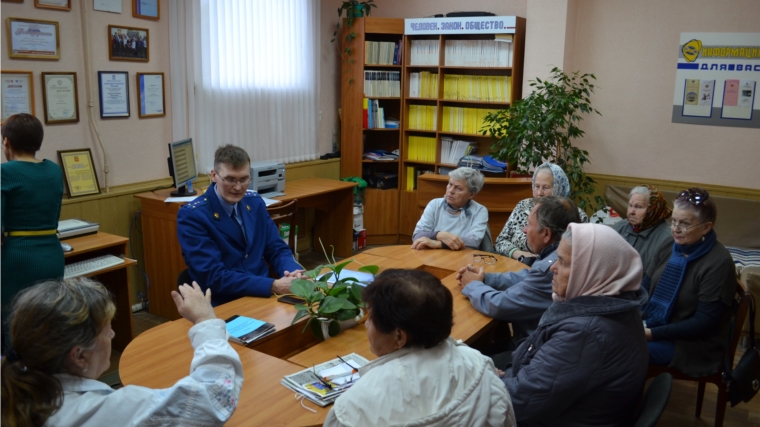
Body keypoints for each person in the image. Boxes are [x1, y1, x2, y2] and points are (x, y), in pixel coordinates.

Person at [0, 277, 243, 427]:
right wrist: (205, 321)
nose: (113, 336)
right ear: (79, 356)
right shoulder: (108, 411)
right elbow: (213, 397)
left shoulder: (16, 384)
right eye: (106, 331)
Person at [324, 269, 516, 427]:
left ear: (399, 336)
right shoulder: (482, 366)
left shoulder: (352, 408)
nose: (366, 325)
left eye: (371, 317)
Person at [502, 223, 649, 426]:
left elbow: (518, 405)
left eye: (562, 262)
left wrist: (490, 382)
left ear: (592, 271)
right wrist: (506, 376)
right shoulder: (617, 304)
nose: (552, 267)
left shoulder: (584, 333)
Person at [177, 144, 303, 306]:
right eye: (230, 179)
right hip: (223, 300)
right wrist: (272, 285)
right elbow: (214, 275)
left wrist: (293, 273)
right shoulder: (193, 215)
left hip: (263, 295)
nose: (238, 187)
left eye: (244, 179)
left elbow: (276, 249)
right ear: (214, 176)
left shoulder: (255, 203)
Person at [458, 196, 580, 359]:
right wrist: (486, 279)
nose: (524, 230)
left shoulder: (553, 267)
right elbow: (527, 278)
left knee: (466, 360)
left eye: (529, 224)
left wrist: (473, 285)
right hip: (534, 343)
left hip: (533, 352)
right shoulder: (561, 253)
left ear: (546, 234)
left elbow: (499, 306)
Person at [641, 188, 736, 376]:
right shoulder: (670, 246)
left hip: (693, 345)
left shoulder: (718, 263)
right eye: (674, 221)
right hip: (656, 326)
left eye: (684, 223)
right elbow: (645, 286)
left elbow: (703, 323)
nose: (676, 229)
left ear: (707, 227)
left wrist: (651, 333)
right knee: (610, 339)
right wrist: (634, 315)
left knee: (623, 351)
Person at [1, 113, 64, 345]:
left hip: (16, 261)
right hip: (51, 255)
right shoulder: (54, 171)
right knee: (48, 322)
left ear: (6, 141)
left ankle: (19, 380)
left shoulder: (4, 173)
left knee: (16, 327)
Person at [494, 162, 588, 262]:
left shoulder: (575, 214)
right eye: (537, 186)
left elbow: (577, 252)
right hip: (517, 263)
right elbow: (500, 241)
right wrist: (521, 255)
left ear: (559, 187)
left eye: (545, 188)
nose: (539, 193)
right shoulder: (523, 205)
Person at [411, 167, 488, 251]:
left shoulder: (480, 211)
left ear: (471, 195)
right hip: (433, 256)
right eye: (450, 184)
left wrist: (439, 244)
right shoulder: (434, 204)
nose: (451, 191)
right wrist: (439, 235)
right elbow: (417, 235)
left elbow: (473, 242)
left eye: (458, 188)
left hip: (462, 259)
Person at [611, 185, 673, 271]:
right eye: (630, 205)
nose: (631, 212)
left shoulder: (667, 239)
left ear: (653, 209)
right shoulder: (619, 227)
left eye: (638, 207)